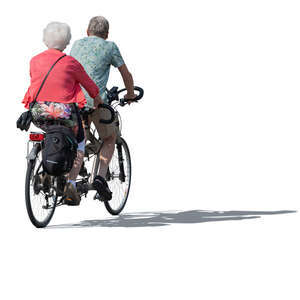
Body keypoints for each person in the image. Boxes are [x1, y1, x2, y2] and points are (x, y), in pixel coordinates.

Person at [22, 22, 104, 205]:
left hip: (38, 112)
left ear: (45, 40)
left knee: (50, 134)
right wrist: (98, 101)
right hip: (65, 113)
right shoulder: (71, 62)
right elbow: (90, 87)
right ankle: (71, 186)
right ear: (66, 42)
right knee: (79, 142)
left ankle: (45, 174)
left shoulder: (34, 60)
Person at [70, 16, 136, 200]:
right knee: (110, 137)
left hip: (74, 102)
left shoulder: (76, 44)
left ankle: (73, 176)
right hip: (95, 101)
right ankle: (99, 177)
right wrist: (130, 94)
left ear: (87, 31)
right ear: (107, 34)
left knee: (79, 140)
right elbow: (126, 75)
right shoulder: (110, 47)